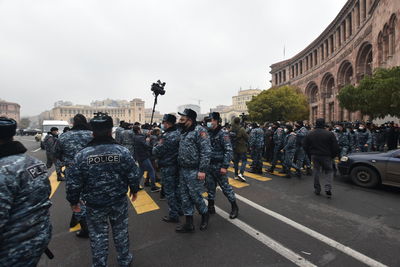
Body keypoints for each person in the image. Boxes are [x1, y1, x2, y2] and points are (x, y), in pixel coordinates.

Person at [66, 113, 141, 267]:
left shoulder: (82, 155)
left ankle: (100, 263)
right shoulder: (122, 151)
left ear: (92, 131)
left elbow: (73, 182)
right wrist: (134, 189)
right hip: (118, 201)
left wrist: (73, 201)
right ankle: (124, 260)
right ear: (110, 130)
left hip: (94, 204)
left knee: (98, 235)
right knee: (121, 232)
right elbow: (133, 173)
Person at [0, 117, 52, 266]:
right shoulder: (35, 163)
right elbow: (45, 194)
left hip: (11, 248)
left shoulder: (4, 169)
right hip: (37, 237)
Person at [55, 114, 93, 237]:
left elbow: (57, 154)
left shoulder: (64, 136)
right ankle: (82, 220)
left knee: (75, 198)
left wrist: (66, 162)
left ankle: (85, 227)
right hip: (91, 170)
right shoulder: (92, 135)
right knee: (90, 196)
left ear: (73, 123)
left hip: (72, 171)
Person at [176, 108, 211, 233]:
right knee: (185, 197)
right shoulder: (184, 132)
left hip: (195, 170)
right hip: (183, 170)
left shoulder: (200, 131)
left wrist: (202, 170)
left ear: (190, 120)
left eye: (183, 119)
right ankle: (189, 223)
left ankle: (205, 215)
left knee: (196, 197)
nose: (180, 121)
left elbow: (206, 151)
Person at [205, 112, 239, 219]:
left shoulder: (222, 133)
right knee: (210, 188)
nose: (208, 122)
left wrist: (224, 166)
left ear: (216, 121)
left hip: (219, 166)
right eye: (208, 120)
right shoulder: (208, 133)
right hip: (209, 166)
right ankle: (211, 207)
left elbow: (228, 151)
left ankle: (234, 207)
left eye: (210, 120)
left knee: (226, 188)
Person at [153, 114, 182, 223]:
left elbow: (156, 151)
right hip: (178, 165)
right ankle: (180, 209)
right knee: (177, 189)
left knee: (169, 192)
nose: (162, 124)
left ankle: (173, 215)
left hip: (167, 166)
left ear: (167, 123)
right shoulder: (179, 133)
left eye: (163, 122)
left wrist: (154, 144)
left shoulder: (166, 136)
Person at [303, 118, 339, 198]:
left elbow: (305, 145)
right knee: (329, 171)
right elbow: (335, 147)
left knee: (316, 171)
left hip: (315, 155)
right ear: (324, 124)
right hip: (326, 156)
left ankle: (317, 189)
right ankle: (327, 188)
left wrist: (310, 153)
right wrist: (332, 156)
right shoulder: (329, 134)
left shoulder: (310, 134)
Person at [133, 125, 161, 192]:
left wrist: (147, 136)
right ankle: (153, 187)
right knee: (151, 170)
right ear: (138, 130)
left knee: (141, 172)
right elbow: (147, 146)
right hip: (144, 156)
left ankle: (135, 186)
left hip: (139, 157)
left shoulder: (135, 137)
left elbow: (141, 139)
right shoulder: (140, 138)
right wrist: (148, 140)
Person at [230, 117, 248, 182]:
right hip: (242, 147)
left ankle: (235, 175)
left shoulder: (231, 128)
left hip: (234, 147)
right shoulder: (242, 129)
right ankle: (241, 173)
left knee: (236, 162)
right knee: (244, 161)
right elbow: (246, 137)